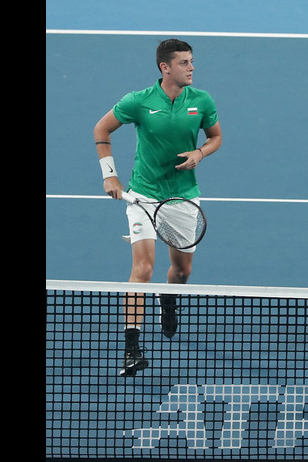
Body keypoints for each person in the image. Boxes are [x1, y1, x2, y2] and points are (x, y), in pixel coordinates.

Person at [93, 39, 222, 377]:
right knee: (143, 269)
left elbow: (215, 137)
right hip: (144, 195)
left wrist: (200, 153)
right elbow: (102, 129)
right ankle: (132, 348)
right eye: (184, 63)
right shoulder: (138, 101)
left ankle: (168, 298)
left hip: (182, 197)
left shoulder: (202, 100)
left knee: (181, 272)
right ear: (165, 68)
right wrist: (111, 176)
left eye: (192, 61)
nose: (191, 67)